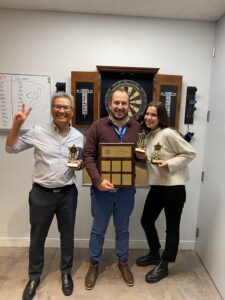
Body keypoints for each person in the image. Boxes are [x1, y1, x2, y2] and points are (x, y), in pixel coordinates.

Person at [5, 92, 84, 300]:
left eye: (66, 107)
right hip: (41, 194)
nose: (62, 110)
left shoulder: (78, 136)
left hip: (68, 193)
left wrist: (80, 164)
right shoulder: (38, 131)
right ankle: (34, 277)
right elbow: (11, 148)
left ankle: (66, 273)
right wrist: (17, 125)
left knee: (67, 235)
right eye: (58, 106)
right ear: (52, 110)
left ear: (72, 112)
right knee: (37, 237)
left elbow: (79, 162)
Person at [83, 88, 140, 290]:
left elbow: (140, 155)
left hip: (126, 191)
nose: (120, 107)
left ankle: (123, 263)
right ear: (110, 104)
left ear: (129, 105)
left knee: (123, 229)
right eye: (117, 102)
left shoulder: (137, 127)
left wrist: (143, 155)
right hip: (102, 191)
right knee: (98, 230)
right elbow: (88, 155)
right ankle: (94, 264)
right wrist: (98, 181)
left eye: (124, 103)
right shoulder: (97, 126)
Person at [135, 101, 196, 283]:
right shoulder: (146, 135)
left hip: (174, 189)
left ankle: (164, 264)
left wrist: (169, 164)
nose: (149, 118)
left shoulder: (168, 133)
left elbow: (190, 153)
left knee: (172, 227)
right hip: (157, 187)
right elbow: (148, 163)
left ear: (161, 117)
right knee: (146, 220)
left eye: (154, 115)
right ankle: (154, 253)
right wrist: (139, 159)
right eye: (147, 114)